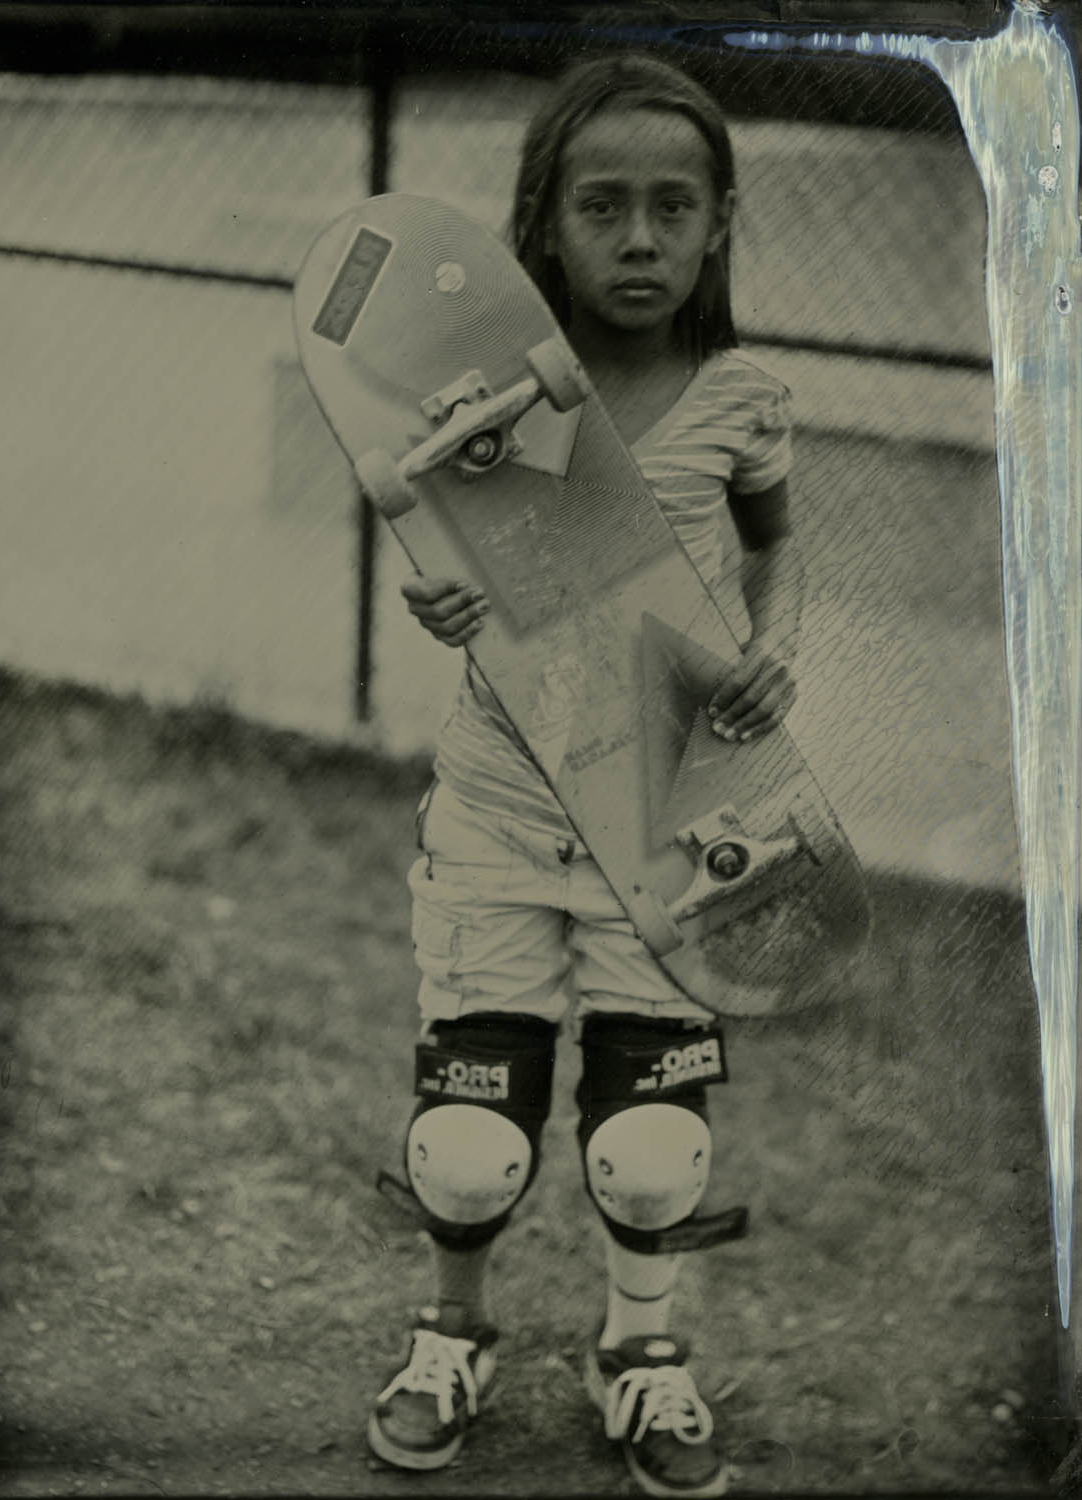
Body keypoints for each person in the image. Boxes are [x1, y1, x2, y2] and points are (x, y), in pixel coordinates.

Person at [367, 52, 805, 1500]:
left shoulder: (745, 398)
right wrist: (437, 593)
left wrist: (773, 650)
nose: (638, 238)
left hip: (665, 814)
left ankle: (641, 1350)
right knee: (465, 1145)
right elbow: (436, 538)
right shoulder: (496, 397)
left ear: (718, 224)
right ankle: (452, 1333)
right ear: (543, 225)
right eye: (601, 206)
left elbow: (774, 551)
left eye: (673, 207)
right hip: (499, 816)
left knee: (653, 1151)